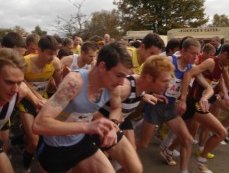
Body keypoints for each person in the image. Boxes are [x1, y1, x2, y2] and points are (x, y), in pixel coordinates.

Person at [32, 42, 142, 173]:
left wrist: (113, 125)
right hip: (55, 147)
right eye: (119, 75)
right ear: (102, 67)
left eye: (124, 76)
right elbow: (39, 125)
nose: (122, 82)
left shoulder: (113, 86)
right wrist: (88, 127)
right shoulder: (74, 82)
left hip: (80, 141)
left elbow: (116, 108)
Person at [136, 38, 214, 173]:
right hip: (155, 104)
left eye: (198, 54)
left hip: (170, 106)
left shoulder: (192, 69)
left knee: (188, 139)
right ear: (183, 51)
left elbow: (209, 88)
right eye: (193, 53)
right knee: (143, 144)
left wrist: (205, 98)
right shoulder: (169, 61)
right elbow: (146, 75)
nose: (196, 57)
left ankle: (183, 171)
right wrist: (150, 93)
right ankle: (121, 150)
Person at [178, 43, 229, 173]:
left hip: (205, 99)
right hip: (194, 101)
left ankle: (168, 150)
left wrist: (228, 96)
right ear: (225, 54)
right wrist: (183, 98)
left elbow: (223, 81)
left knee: (187, 137)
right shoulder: (211, 61)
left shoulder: (223, 65)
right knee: (219, 132)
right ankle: (200, 161)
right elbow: (188, 74)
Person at [16, 35, 62, 172]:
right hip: (27, 101)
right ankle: (25, 168)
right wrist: (35, 97)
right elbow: (20, 82)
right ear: (39, 50)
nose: (52, 57)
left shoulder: (55, 63)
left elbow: (60, 88)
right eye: (49, 53)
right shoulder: (25, 62)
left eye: (55, 54)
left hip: (44, 100)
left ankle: (22, 137)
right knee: (34, 141)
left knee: (49, 137)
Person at [0, 48, 31, 173]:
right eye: (9, 82)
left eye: (19, 82)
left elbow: (33, 96)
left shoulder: (20, 91)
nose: (15, 89)